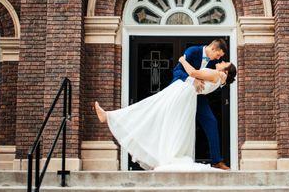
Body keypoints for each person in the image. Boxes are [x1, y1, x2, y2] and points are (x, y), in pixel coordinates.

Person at [94, 49, 236, 172]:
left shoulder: (217, 75)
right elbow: (197, 78)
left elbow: (192, 72)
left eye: (225, 63)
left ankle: (110, 117)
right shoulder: (218, 79)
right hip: (186, 95)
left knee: (150, 108)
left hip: (182, 92)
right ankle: (163, 155)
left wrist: (182, 60)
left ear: (226, 71)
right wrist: (196, 79)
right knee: (168, 122)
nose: (222, 61)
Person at [170, 39, 230, 170]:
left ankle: (217, 161)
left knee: (211, 122)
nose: (219, 59)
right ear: (213, 48)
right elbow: (177, 72)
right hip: (182, 92)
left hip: (198, 97)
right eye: (219, 55)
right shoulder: (193, 51)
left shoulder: (214, 63)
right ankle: (168, 158)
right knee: (177, 125)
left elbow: (210, 78)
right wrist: (193, 79)